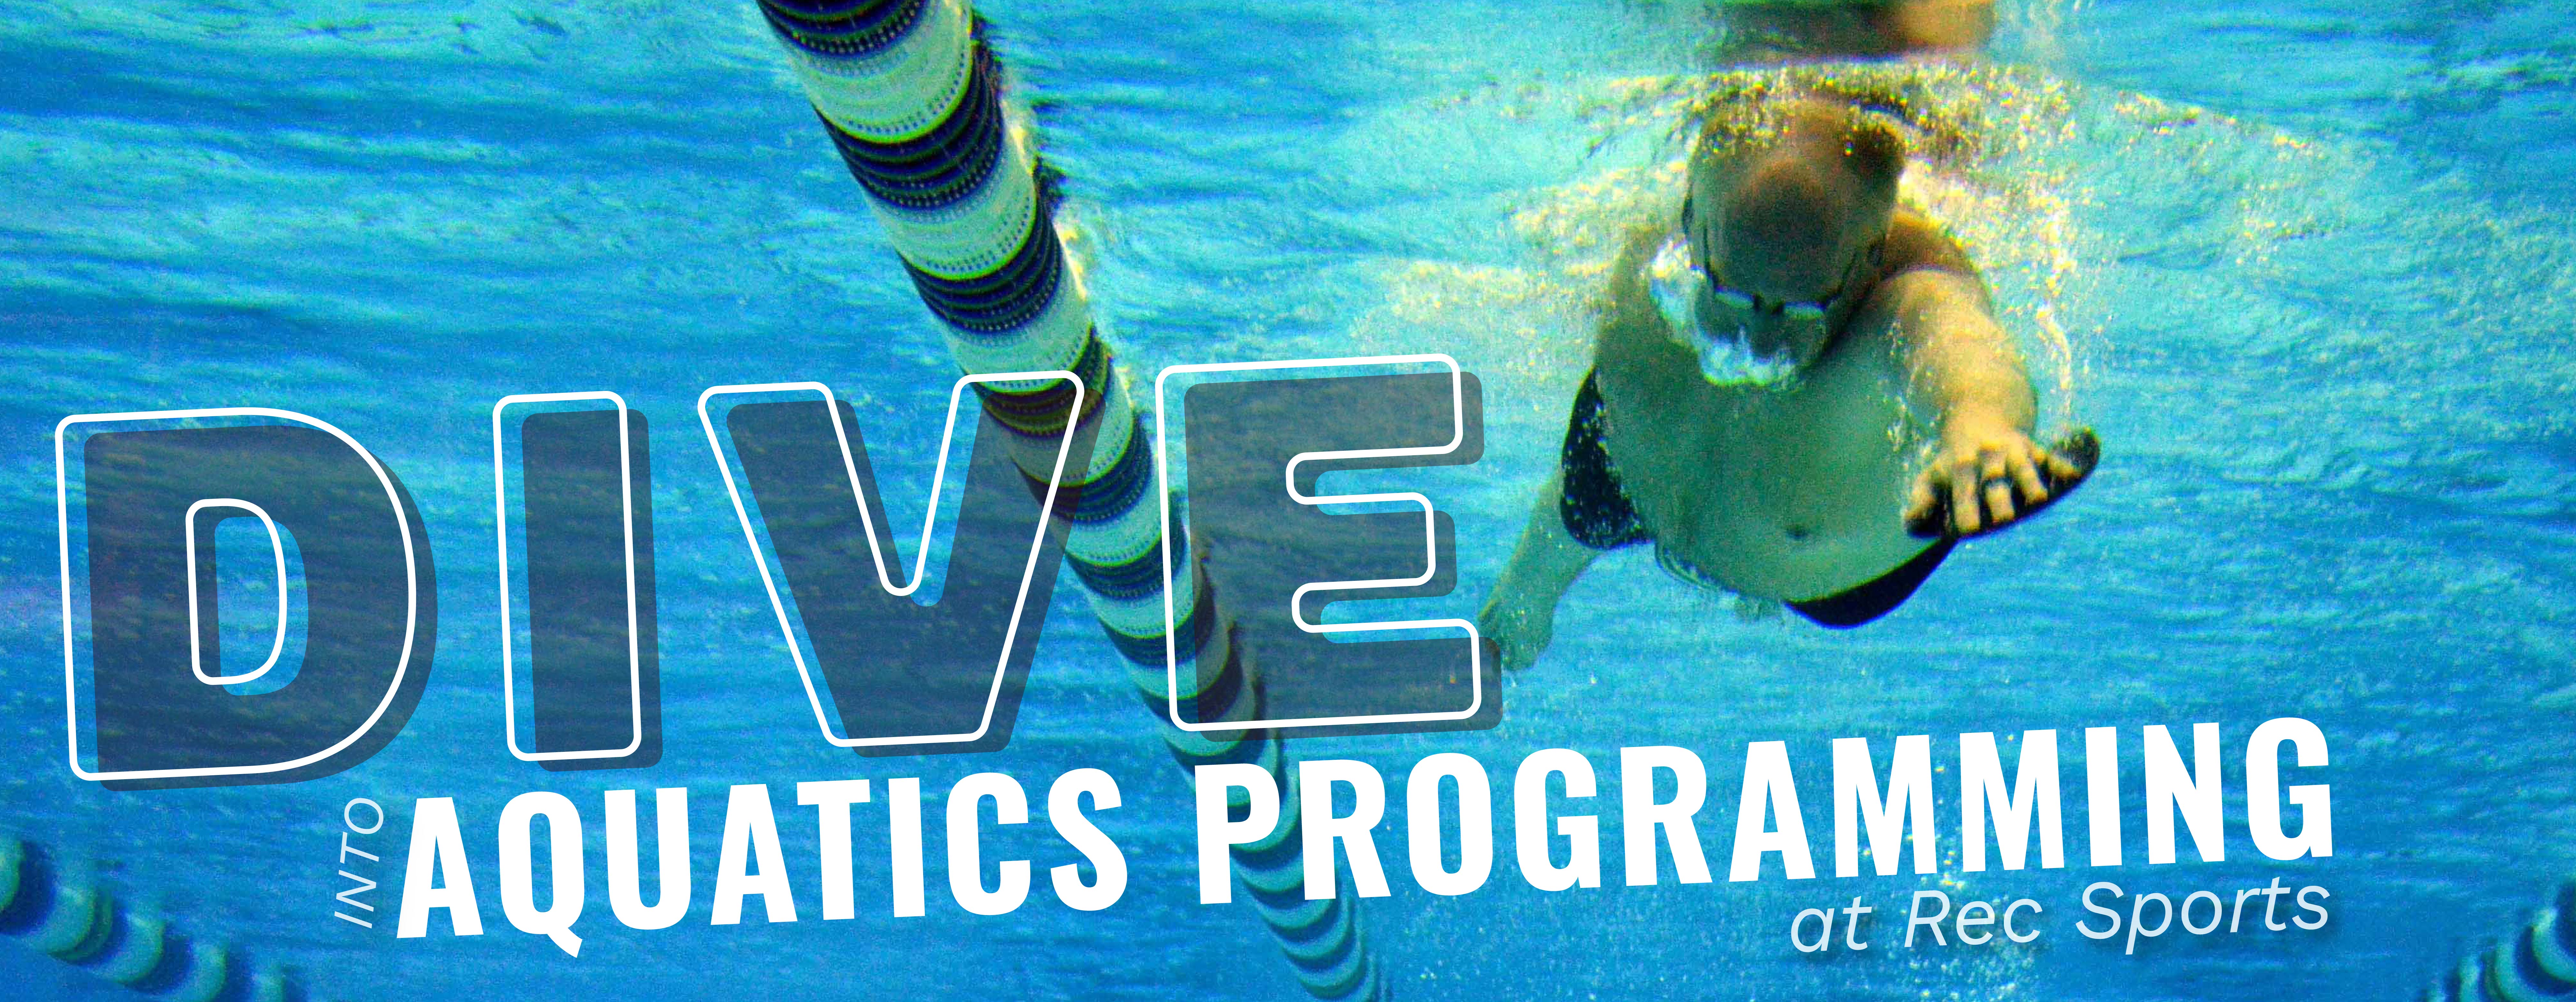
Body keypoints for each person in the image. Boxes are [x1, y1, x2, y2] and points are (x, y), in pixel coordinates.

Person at [1476, 86, 2096, 670]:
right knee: (1595, 477)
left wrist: (1981, 426)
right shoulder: (1655, 237)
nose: (1757, 340)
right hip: (1646, 479)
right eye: (1730, 293)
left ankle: (1765, 571)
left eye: (1801, 309)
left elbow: (1960, 348)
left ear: (1869, 262)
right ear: (1691, 222)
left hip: (1835, 577)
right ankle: (1525, 596)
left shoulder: (1908, 287)